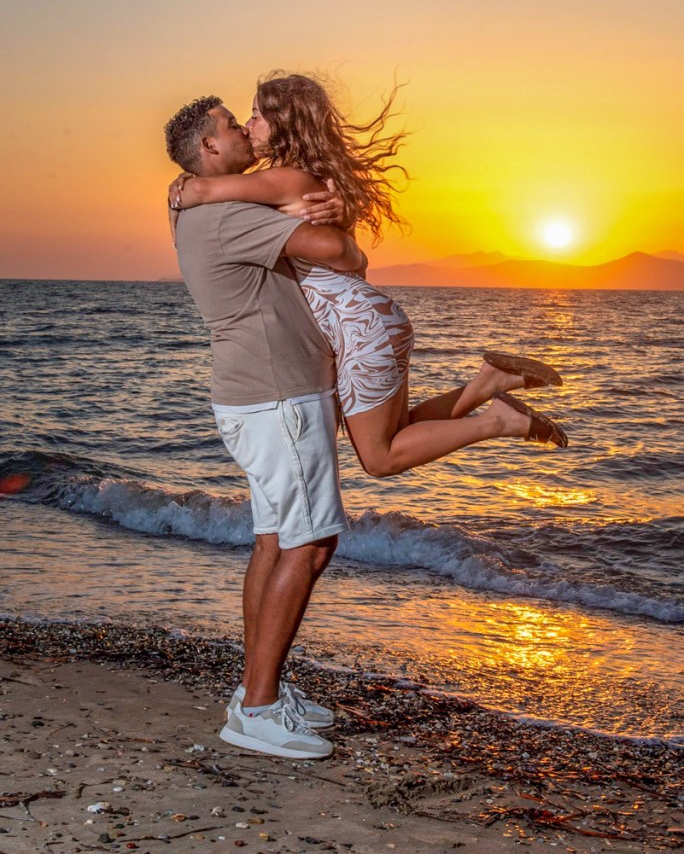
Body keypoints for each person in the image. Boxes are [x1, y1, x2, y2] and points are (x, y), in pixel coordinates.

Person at [169, 73, 568, 484]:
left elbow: (204, 194)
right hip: (368, 320)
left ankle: (500, 422)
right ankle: (489, 383)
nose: (249, 127)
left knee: (380, 459)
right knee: (399, 433)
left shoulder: (280, 179)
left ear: (283, 122)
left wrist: (185, 185)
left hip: (358, 326)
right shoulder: (299, 177)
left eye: (254, 116)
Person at [165, 95, 367, 761]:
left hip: (257, 395)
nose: (242, 129)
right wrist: (317, 213)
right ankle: (256, 709)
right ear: (210, 151)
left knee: (275, 540)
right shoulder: (224, 214)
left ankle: (260, 692)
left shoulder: (212, 208)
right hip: (279, 395)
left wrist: (296, 207)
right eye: (230, 125)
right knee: (309, 546)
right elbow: (338, 253)